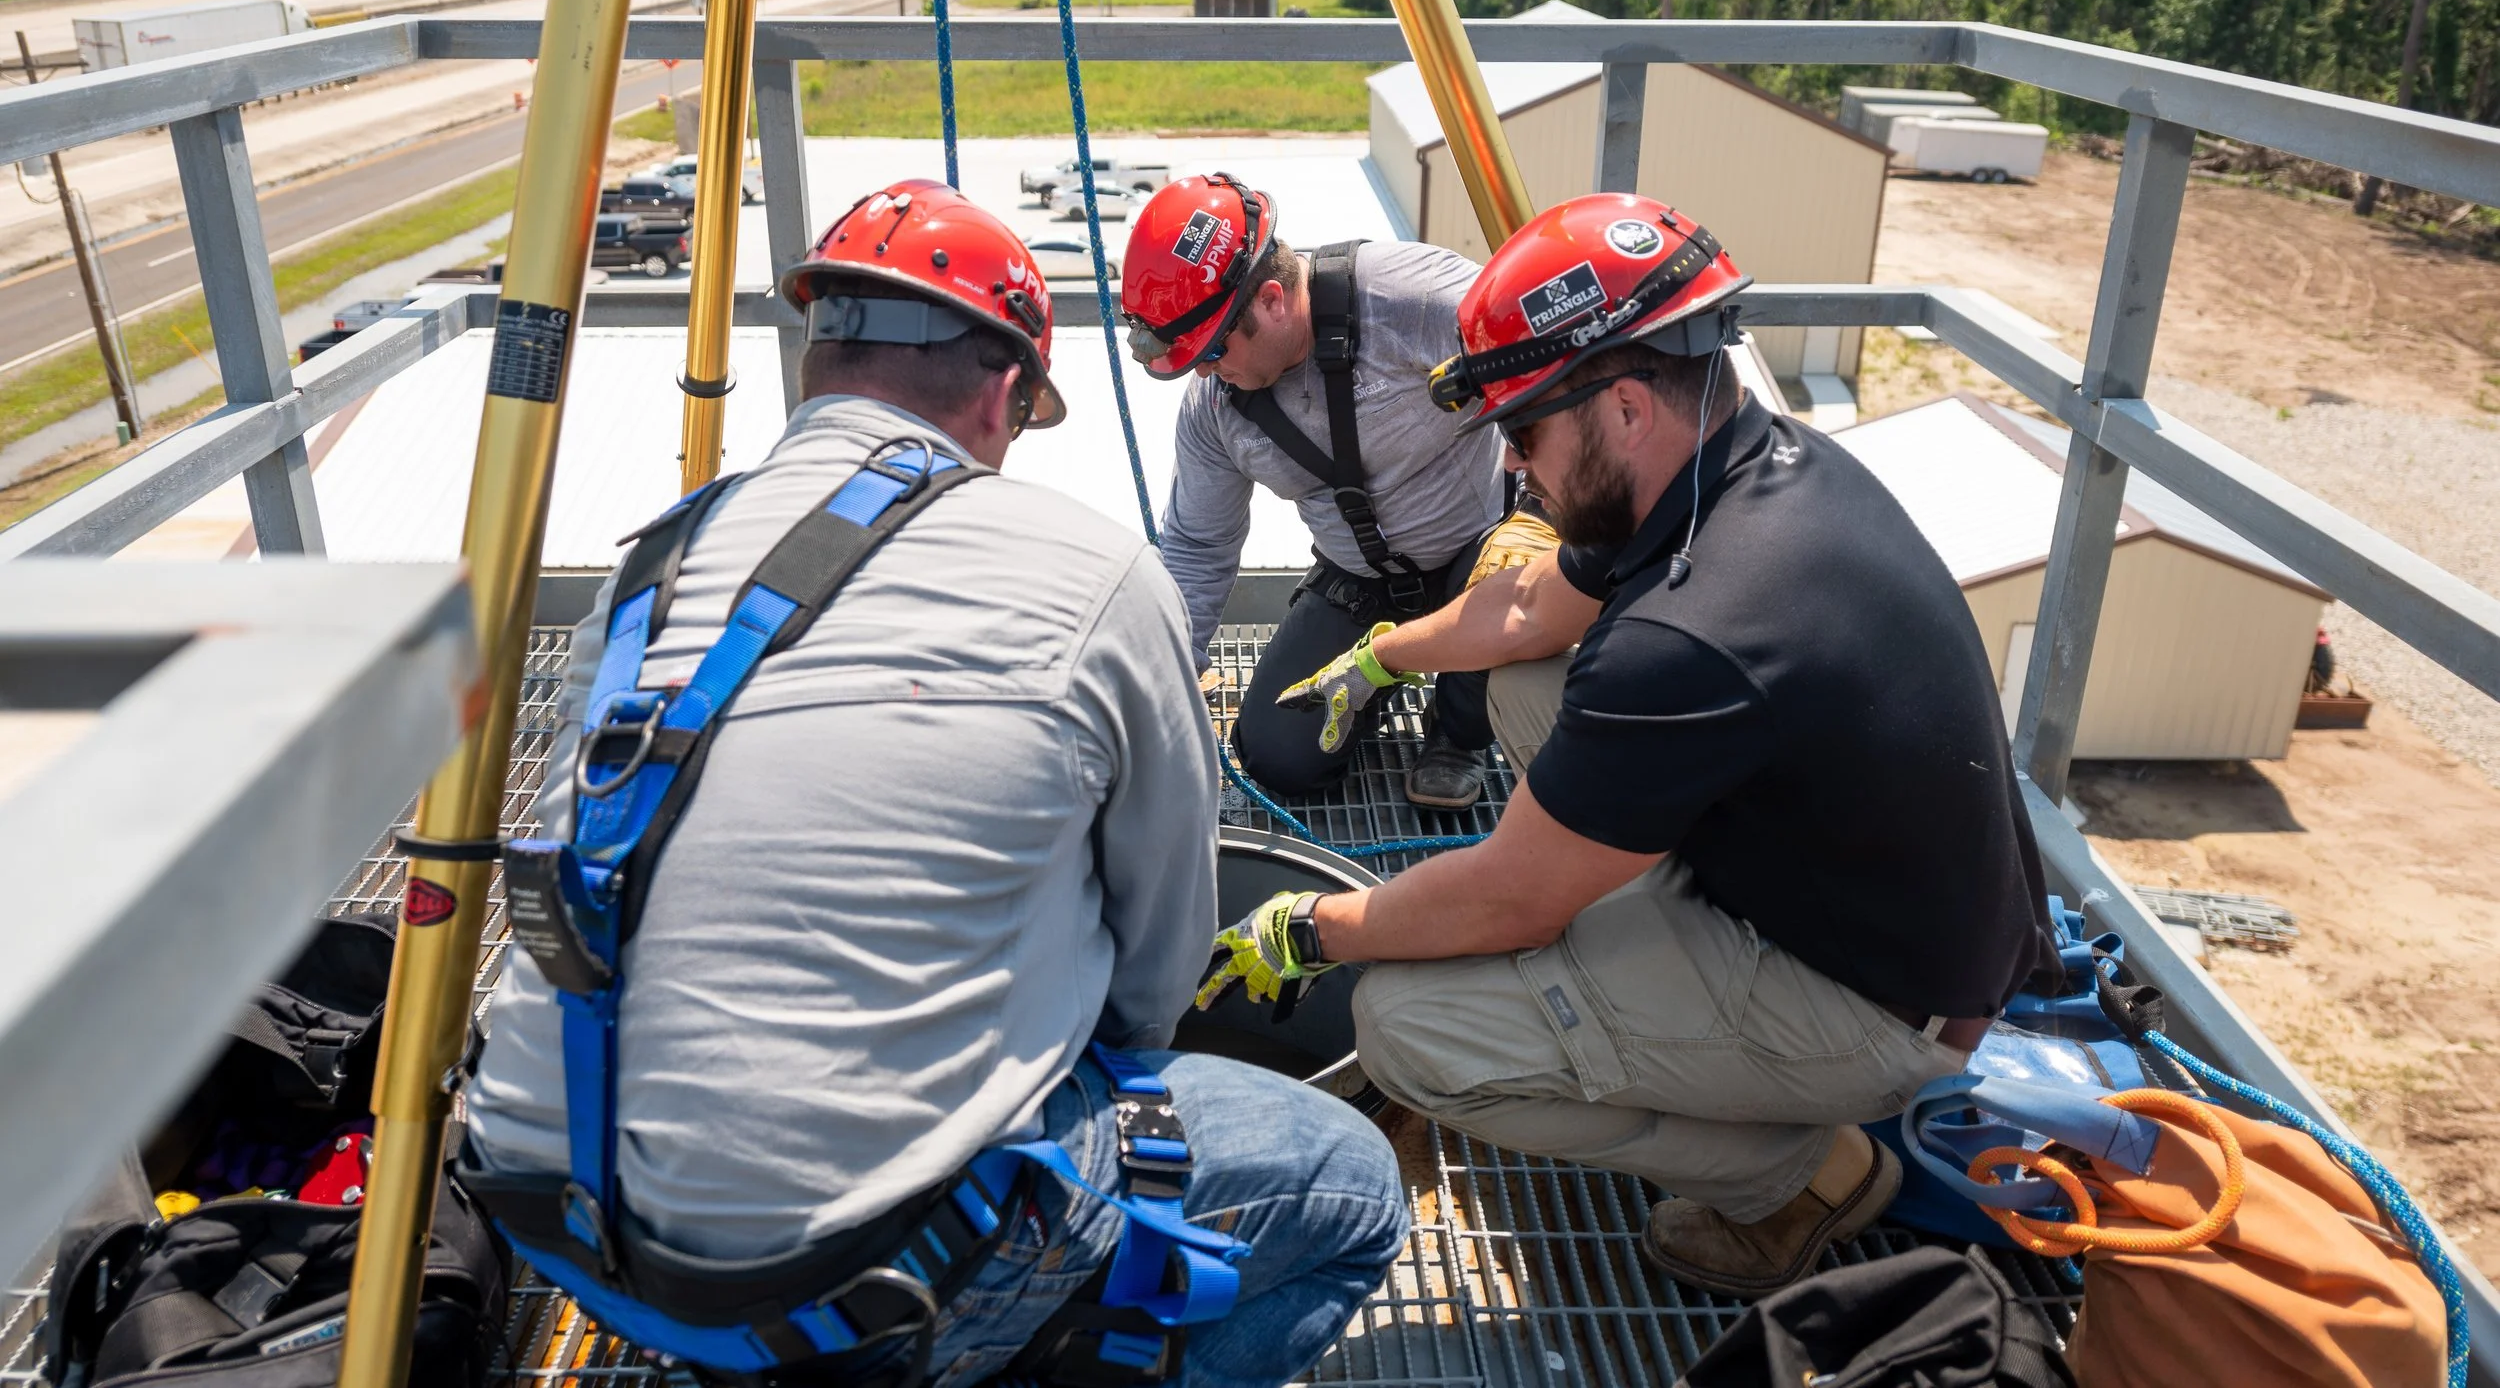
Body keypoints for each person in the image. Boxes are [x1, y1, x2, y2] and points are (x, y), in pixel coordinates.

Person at [463, 180, 1407, 1388]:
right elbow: (1156, 982)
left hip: (569, 1221)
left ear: (819, 362)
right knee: (1349, 1190)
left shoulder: (645, 568)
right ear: (1007, 390)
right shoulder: (1096, 573)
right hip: (848, 1287)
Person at [1200, 192, 2058, 1299]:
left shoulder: (1690, 633)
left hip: (1877, 1012)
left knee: (1406, 1024)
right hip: (1881, 915)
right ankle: (1654, 971)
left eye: (1523, 431)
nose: (1511, 469)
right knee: (1524, 676)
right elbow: (1521, 614)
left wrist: (1312, 929)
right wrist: (1384, 656)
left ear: (1624, 407)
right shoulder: (1746, 470)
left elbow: (1505, 903)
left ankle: (1800, 1176)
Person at [1120, 172, 1523, 809]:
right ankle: (1382, 674)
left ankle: (1459, 728)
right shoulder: (1216, 408)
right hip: (1363, 580)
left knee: (1497, 676)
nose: (1205, 371)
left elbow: (1552, 382)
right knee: (1279, 754)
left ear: (1273, 299)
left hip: (1481, 555)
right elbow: (1198, 546)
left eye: (1215, 347)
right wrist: (1165, 670)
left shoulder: (1415, 302)